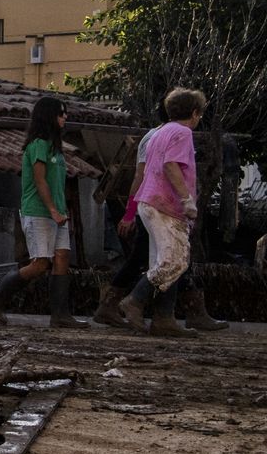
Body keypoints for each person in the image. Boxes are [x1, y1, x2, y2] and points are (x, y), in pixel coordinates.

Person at [92, 123, 227, 333]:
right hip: (159, 208)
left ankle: (167, 314)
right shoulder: (162, 137)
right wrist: (129, 214)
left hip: (161, 207)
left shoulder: (158, 135)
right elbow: (141, 175)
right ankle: (172, 312)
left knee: (167, 259)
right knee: (165, 259)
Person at [0, 96, 87, 328]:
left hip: (56, 213)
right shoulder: (38, 145)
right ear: (49, 116)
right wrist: (52, 209)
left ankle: (60, 315)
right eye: (61, 113)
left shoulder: (55, 147)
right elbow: (40, 181)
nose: (65, 117)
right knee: (41, 263)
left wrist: (59, 210)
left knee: (62, 258)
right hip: (39, 212)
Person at [118, 88, 207, 333]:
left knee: (164, 261)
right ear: (195, 112)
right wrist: (187, 199)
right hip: (165, 204)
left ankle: (164, 318)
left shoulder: (159, 133)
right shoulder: (182, 133)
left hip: (149, 201)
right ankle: (134, 300)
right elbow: (171, 166)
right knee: (175, 261)